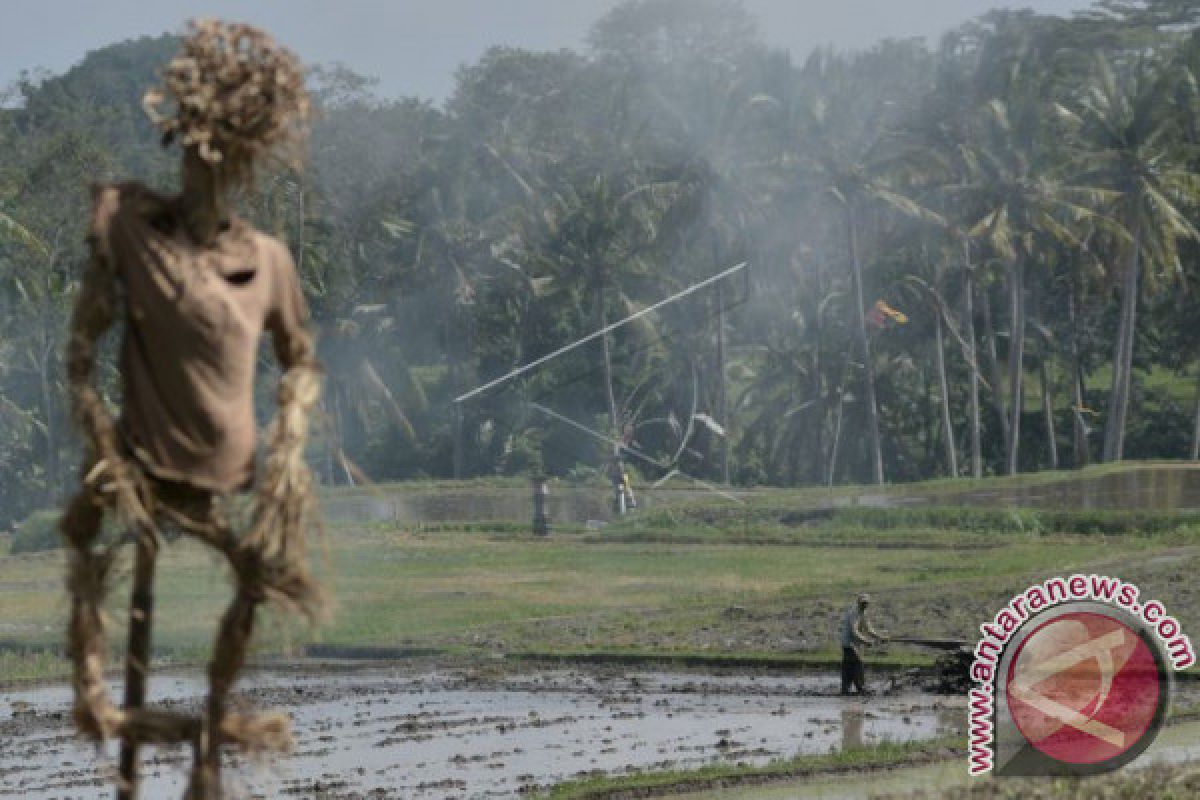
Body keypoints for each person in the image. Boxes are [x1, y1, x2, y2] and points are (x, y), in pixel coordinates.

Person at [59, 20, 322, 799]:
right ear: (183, 148)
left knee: (255, 585)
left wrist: (290, 443)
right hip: (140, 471)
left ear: (242, 163)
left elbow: (300, 360)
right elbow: (81, 350)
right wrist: (103, 441)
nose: (207, 173)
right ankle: (126, 740)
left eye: (223, 161)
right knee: (99, 600)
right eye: (197, 157)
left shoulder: (266, 261)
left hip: (230, 477)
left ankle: (207, 748)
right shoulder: (134, 233)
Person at [840, 592, 887, 695]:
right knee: (858, 664)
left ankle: (847, 689)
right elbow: (854, 631)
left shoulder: (863, 612)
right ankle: (860, 688)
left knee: (849, 666)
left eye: (866, 603)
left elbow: (869, 629)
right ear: (858, 602)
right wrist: (866, 641)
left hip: (853, 644)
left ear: (868, 603)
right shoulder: (854, 613)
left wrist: (880, 637)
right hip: (849, 643)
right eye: (862, 603)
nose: (864, 605)